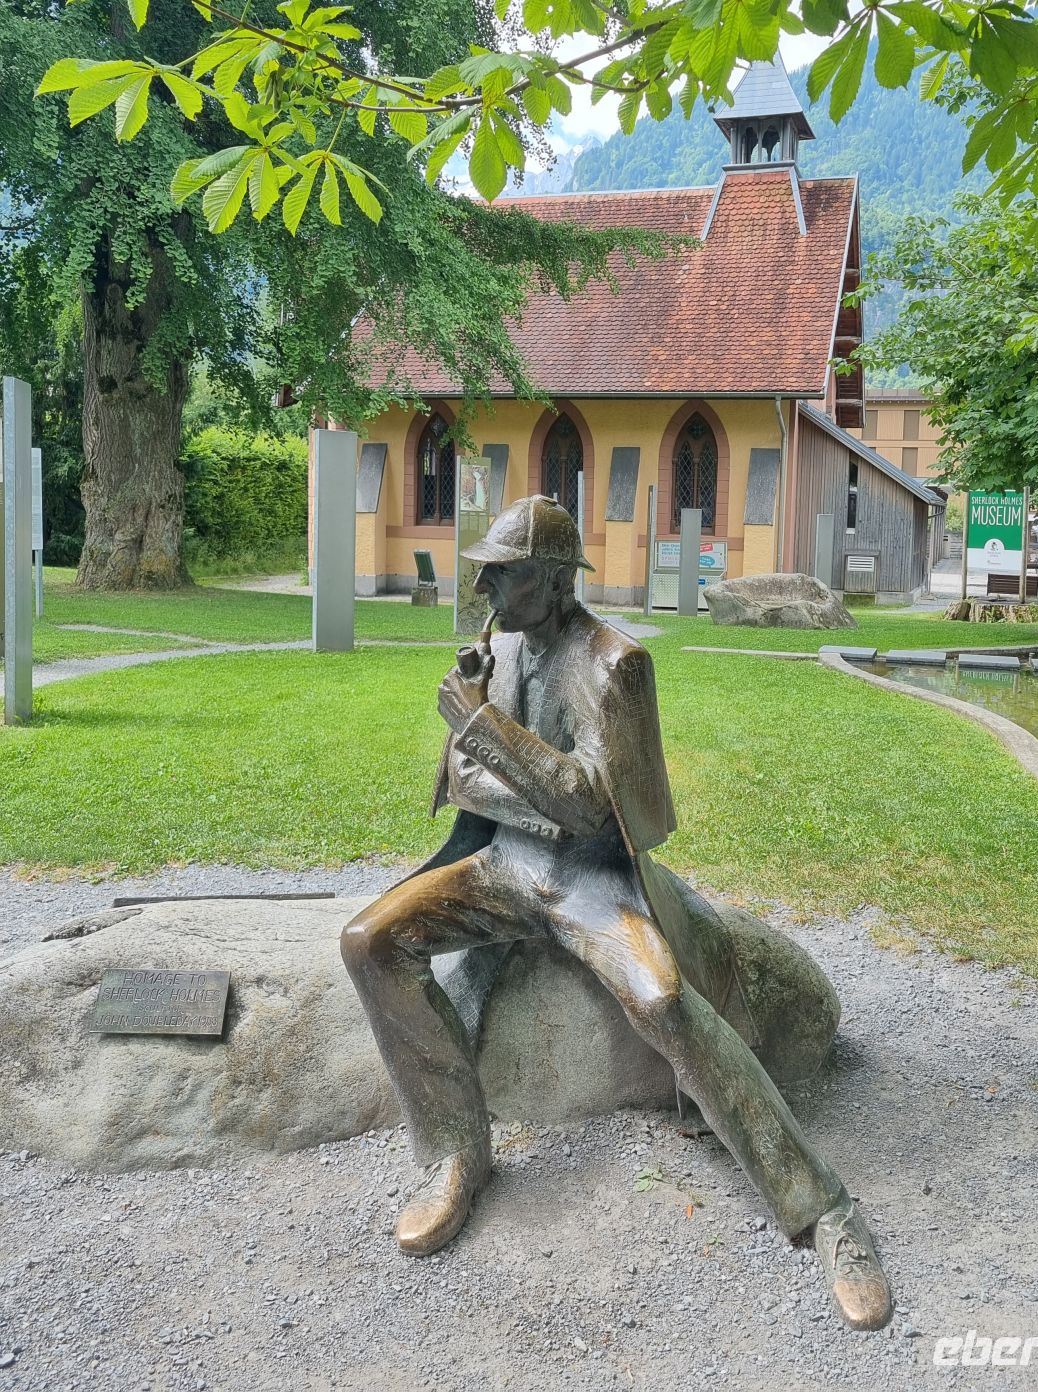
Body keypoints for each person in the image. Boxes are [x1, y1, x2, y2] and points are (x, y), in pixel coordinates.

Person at [341, 495, 892, 1332]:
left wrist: (483, 728)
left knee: (665, 1000)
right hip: (503, 868)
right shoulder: (498, 650)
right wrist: (497, 747)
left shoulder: (616, 665)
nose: (484, 590)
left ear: (555, 579)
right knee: (370, 940)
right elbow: (465, 786)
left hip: (592, 882)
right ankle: (457, 1152)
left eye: (504, 575)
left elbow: (592, 808)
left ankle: (824, 1211)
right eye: (486, 574)